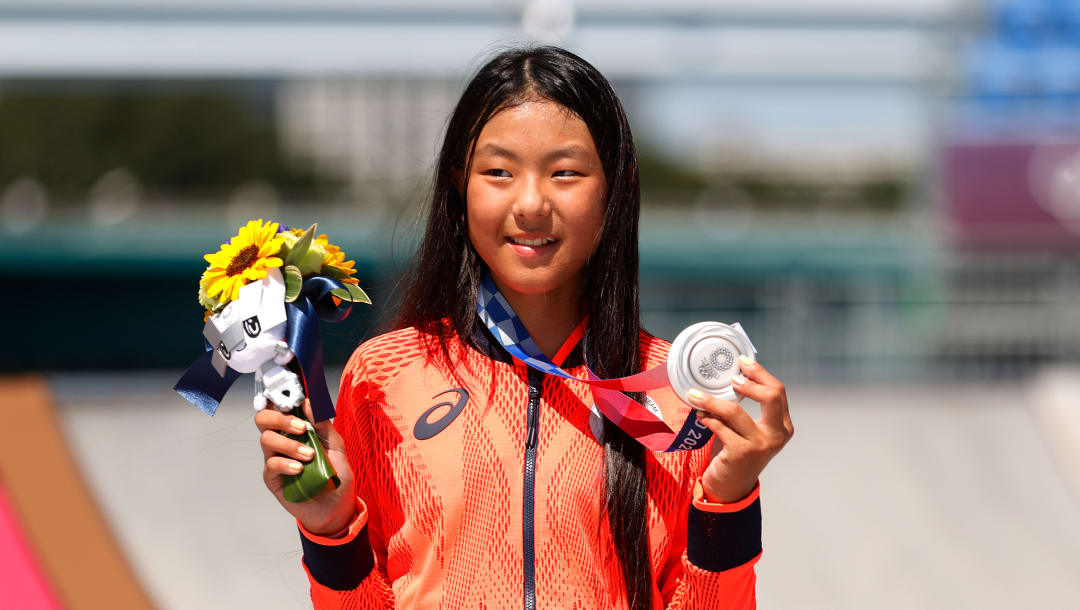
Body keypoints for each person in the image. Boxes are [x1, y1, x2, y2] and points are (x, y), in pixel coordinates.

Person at [254, 45, 793, 609]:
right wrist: (332, 527)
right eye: (498, 172)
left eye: (565, 173)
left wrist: (728, 501)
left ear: (617, 188)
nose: (531, 203)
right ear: (460, 185)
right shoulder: (383, 376)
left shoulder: (674, 393)